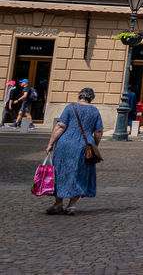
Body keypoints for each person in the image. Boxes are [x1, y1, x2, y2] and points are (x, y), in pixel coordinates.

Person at [42, 87, 102, 215]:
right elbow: (98, 132)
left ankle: (58, 203)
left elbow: (60, 126)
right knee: (81, 174)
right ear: (91, 98)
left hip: (65, 144)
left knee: (60, 172)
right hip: (84, 146)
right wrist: (94, 145)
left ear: (79, 96)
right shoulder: (95, 111)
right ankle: (71, 205)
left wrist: (50, 144)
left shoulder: (70, 108)